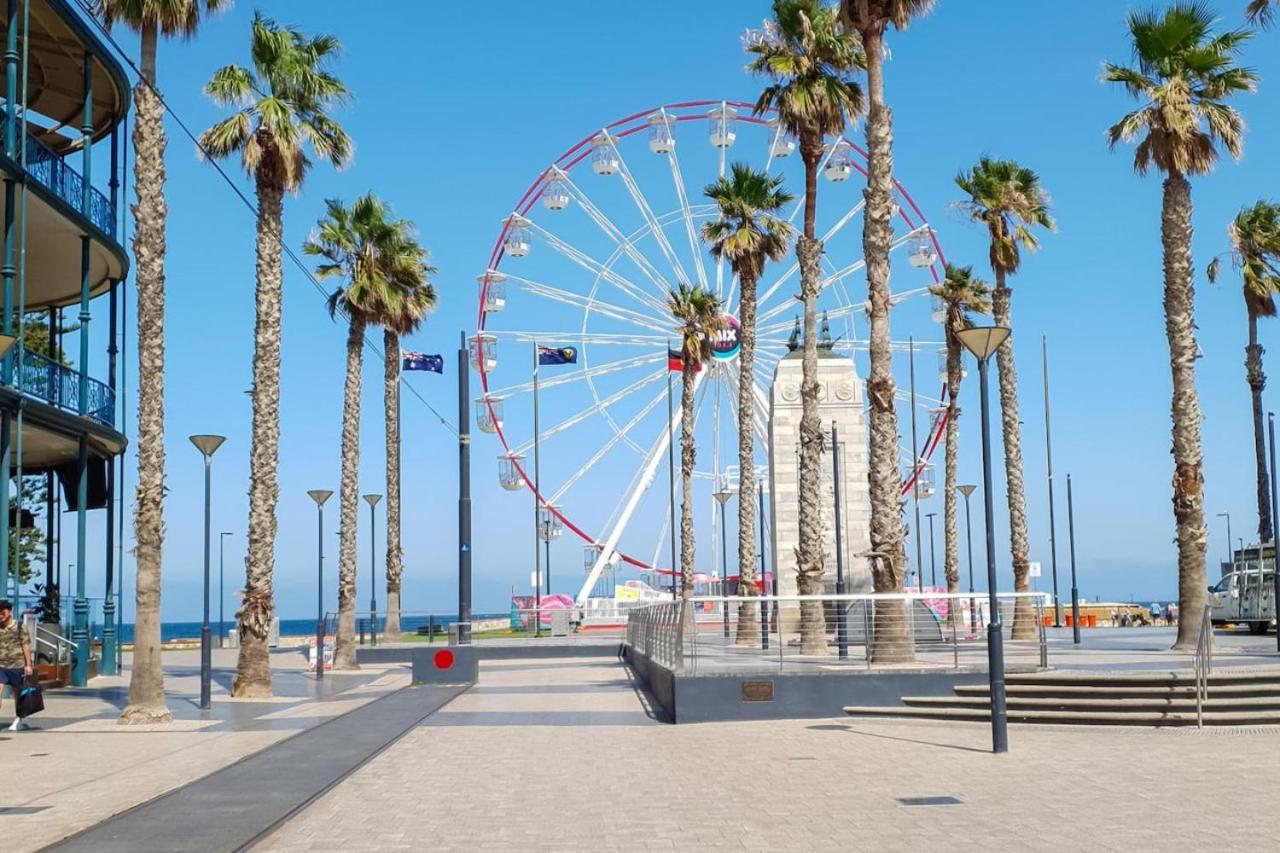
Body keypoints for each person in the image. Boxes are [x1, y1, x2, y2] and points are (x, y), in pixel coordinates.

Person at [0, 599, 35, 732]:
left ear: (9, 612)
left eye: (2, 613)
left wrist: (28, 665)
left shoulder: (20, 627)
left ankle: (19, 718)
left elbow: (26, 646)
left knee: (18, 696)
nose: (0, 616)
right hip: (1, 665)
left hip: (17, 665)